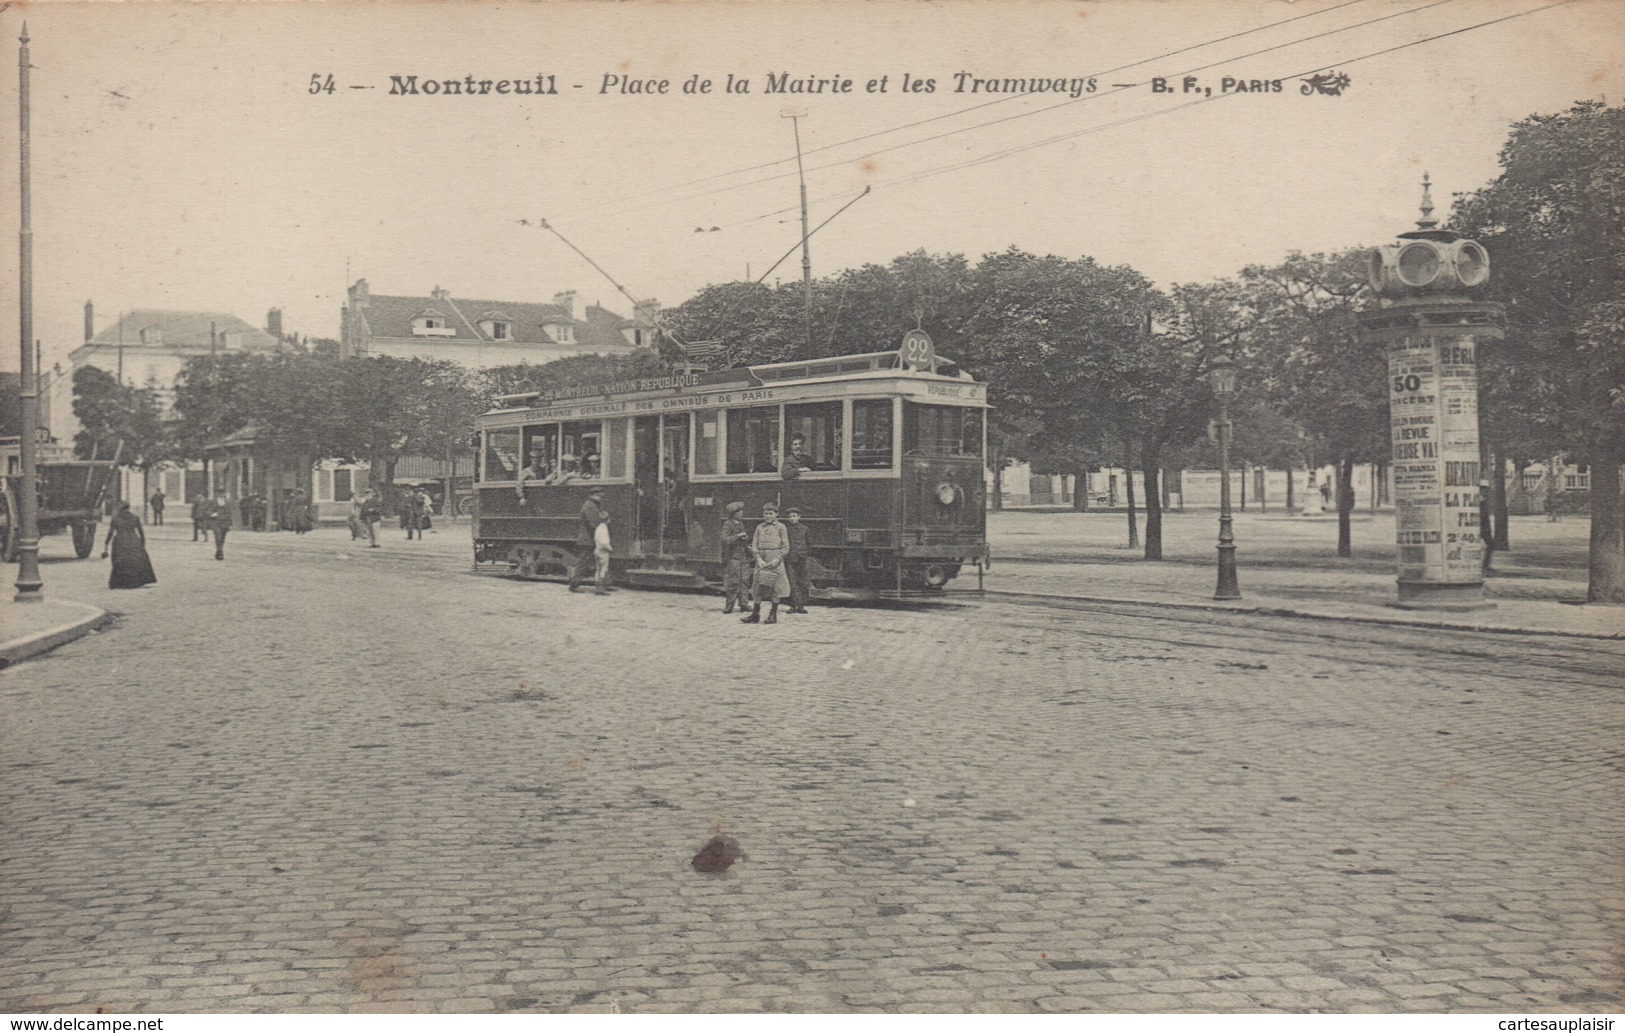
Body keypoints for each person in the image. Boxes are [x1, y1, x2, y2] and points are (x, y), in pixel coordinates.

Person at [742, 502, 791, 625]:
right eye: (765, 513)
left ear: (776, 514)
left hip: (775, 559)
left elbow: (786, 547)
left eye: (771, 513)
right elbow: (754, 545)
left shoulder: (781, 527)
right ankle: (755, 614)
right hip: (762, 560)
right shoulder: (759, 527)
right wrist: (758, 558)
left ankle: (773, 615)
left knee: (776, 587)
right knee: (758, 587)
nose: (768, 516)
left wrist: (777, 559)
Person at [102, 502, 157, 589]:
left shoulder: (115, 518)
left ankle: (120, 582)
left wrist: (106, 544)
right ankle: (135, 581)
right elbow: (141, 532)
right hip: (133, 540)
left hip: (119, 541)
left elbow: (110, 533)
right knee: (134, 561)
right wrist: (142, 545)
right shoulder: (135, 517)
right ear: (129, 507)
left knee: (119, 561)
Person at [567, 488, 604, 592]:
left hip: (590, 538)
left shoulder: (592, 505)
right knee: (583, 562)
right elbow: (593, 523)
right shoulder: (590, 506)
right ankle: (574, 585)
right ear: (593, 495)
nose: (600, 497)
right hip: (588, 539)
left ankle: (604, 584)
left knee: (599, 561)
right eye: (599, 495)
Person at [720, 501, 751, 614]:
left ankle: (744, 604)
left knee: (745, 581)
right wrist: (738, 536)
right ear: (734, 514)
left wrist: (745, 538)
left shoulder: (740, 524)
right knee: (733, 582)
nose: (742, 513)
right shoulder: (728, 524)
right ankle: (729, 606)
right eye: (740, 511)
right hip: (734, 557)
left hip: (743, 556)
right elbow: (724, 540)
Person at [783, 505, 811, 614]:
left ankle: (801, 605)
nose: (791, 518)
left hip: (802, 559)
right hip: (790, 559)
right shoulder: (786, 530)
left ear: (799, 517)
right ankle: (793, 605)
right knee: (792, 582)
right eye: (790, 516)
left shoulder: (805, 529)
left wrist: (804, 554)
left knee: (803, 582)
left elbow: (809, 544)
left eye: (794, 516)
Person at [593, 512, 613, 595]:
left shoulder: (598, 528)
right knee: (604, 569)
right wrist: (610, 548)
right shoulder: (604, 529)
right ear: (607, 520)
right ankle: (600, 589)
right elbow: (605, 543)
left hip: (597, 550)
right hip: (603, 552)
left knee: (598, 569)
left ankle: (597, 585)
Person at [207, 493, 232, 560]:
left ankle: (218, 551)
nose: (222, 496)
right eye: (221, 494)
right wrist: (212, 514)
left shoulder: (227, 503)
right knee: (218, 537)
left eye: (223, 494)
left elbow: (229, 513)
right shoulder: (213, 502)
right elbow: (208, 510)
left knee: (222, 539)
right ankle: (220, 552)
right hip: (216, 522)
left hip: (225, 522)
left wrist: (230, 524)